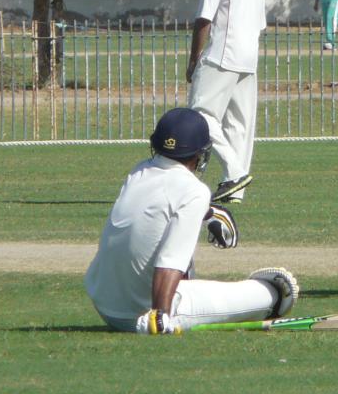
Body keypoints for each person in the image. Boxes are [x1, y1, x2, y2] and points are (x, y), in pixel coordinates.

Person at [84, 107, 299, 335]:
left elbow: (159, 207)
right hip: (145, 315)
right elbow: (170, 261)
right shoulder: (194, 191)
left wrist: (209, 213)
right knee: (278, 289)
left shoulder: (139, 171)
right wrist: (160, 316)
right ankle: (271, 296)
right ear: (200, 153)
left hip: (105, 305)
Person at [186, 0, 264, 204]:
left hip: (221, 54)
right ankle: (235, 191)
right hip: (249, 56)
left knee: (201, 116)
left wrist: (194, 60)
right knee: (239, 124)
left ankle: (235, 173)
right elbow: (260, 23)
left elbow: (204, 18)